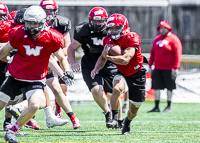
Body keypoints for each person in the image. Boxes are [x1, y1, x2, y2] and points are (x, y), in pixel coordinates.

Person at [0, 6, 74, 143]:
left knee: (34, 105)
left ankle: (12, 131)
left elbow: (61, 57)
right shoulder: (18, 33)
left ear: (42, 22)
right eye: (29, 22)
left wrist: (67, 71)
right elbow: (3, 52)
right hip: (15, 77)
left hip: (35, 79)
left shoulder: (51, 37)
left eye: (34, 23)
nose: (31, 26)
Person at [68, 7, 124, 129]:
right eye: (95, 21)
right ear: (90, 20)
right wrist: (72, 63)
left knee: (114, 93)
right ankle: (108, 113)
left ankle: (119, 119)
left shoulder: (112, 29)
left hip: (110, 64)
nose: (98, 24)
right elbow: (71, 48)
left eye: (101, 21)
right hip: (90, 64)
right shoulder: (82, 30)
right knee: (96, 90)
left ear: (106, 20)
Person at [91, 13, 146, 135]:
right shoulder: (107, 39)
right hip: (122, 73)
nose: (113, 30)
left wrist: (108, 56)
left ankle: (127, 123)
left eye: (116, 27)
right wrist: (96, 68)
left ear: (124, 27)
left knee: (133, 110)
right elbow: (102, 58)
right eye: (111, 28)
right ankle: (115, 119)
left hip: (137, 74)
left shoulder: (132, 37)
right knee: (116, 89)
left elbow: (125, 59)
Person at [39, 0, 81, 129]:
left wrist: (54, 55)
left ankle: (63, 112)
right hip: (37, 60)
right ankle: (20, 120)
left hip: (55, 57)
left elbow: (66, 47)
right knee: (26, 94)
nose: (48, 13)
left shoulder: (61, 24)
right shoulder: (34, 23)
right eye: (46, 10)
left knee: (61, 88)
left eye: (51, 10)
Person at [147, 20, 182, 113]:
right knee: (156, 87)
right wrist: (150, 66)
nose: (162, 30)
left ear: (168, 29)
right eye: (161, 28)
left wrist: (175, 67)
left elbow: (177, 54)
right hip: (157, 68)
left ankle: (168, 106)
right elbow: (152, 53)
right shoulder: (157, 39)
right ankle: (156, 106)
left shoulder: (174, 39)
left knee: (169, 87)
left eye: (164, 28)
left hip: (169, 69)